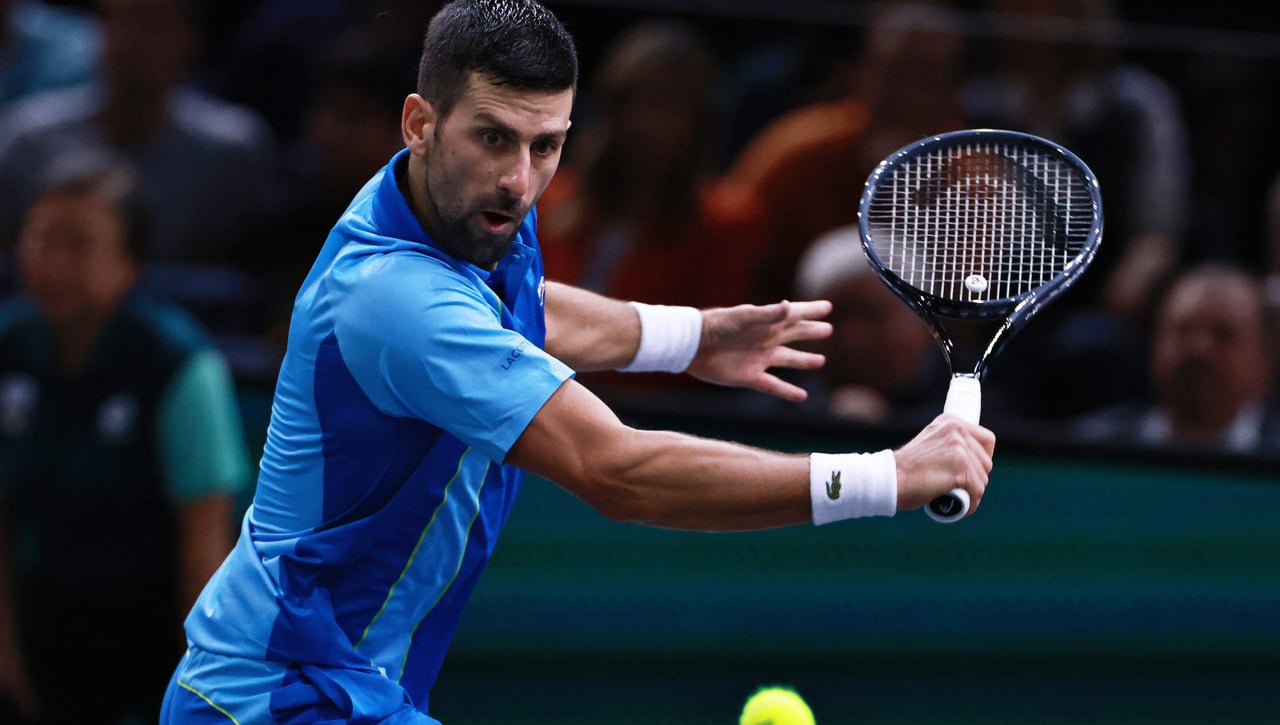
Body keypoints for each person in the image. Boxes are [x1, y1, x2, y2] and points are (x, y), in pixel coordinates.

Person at [160, 2, 997, 723]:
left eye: (546, 144)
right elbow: (617, 470)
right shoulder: (396, 298)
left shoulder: (449, 205)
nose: (519, 178)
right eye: (493, 137)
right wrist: (887, 475)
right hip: (276, 695)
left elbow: (520, 306)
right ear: (419, 122)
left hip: (340, 684)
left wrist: (688, 337)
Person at [0, 156, 251, 723]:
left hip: (149, 639)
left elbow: (204, 541)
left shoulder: (180, 364)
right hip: (40, 621)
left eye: (78, 244)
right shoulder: (9, 346)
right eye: (40, 239)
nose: (51, 262)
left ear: (130, 262)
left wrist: (199, 687)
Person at [0, 0, 283, 266]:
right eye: (118, 22)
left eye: (153, 25)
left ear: (191, 40)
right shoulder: (27, 136)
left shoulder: (231, 150)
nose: (129, 42)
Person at [726, 2, 969, 304]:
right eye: (891, 71)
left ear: (953, 89)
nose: (903, 93)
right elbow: (732, 252)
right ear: (861, 71)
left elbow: (967, 303)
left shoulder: (977, 180)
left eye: (923, 76)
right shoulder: (796, 153)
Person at [1072, 263, 1280, 454]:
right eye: (1183, 330)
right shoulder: (1086, 453)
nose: (1199, 349)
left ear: (1266, 361)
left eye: (1223, 334)